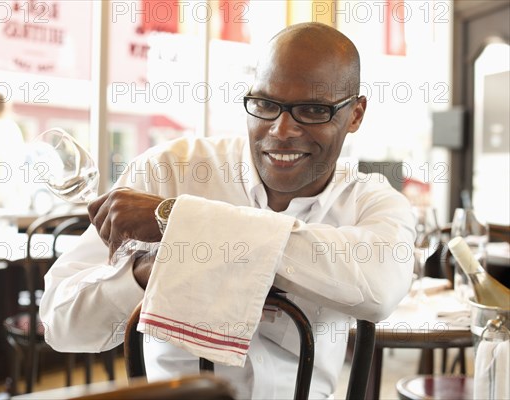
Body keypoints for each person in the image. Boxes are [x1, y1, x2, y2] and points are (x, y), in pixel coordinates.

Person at [40, 23, 415, 399]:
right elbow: (60, 322)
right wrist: (143, 274)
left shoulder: (369, 200)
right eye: (266, 105)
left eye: (313, 110)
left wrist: (180, 223)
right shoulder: (169, 171)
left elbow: (380, 287)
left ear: (355, 114)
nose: (282, 130)